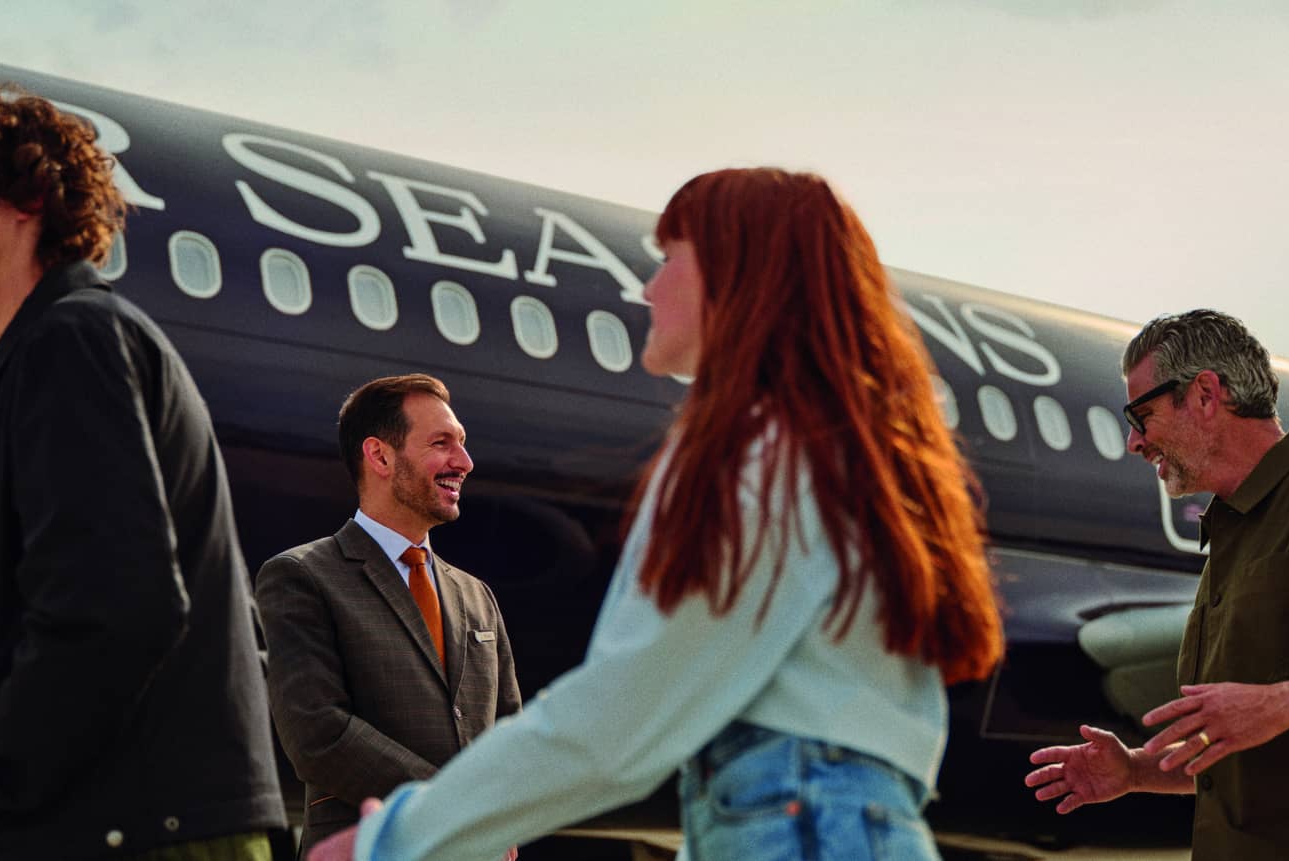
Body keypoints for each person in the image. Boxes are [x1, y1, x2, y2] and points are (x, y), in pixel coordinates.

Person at [309, 167, 1005, 861]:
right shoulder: (850, 457)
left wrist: (395, 836)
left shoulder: (758, 451)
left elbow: (622, 716)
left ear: (739, 275)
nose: (649, 288)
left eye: (670, 258)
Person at [0, 84, 285, 858]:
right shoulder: (78, 341)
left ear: (27, 197)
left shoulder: (69, 341)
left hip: (121, 834)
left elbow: (118, 604)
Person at [1025, 310, 1289, 859]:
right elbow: (1255, 760)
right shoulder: (1231, 535)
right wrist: (1136, 771)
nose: (1134, 442)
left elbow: (1272, 714)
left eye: (1142, 415)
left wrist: (1281, 703)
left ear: (1204, 394)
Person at [255, 374, 522, 858]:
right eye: (441, 443)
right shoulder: (301, 576)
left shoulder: (477, 595)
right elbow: (318, 734)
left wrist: (501, 815)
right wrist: (450, 808)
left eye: (462, 443)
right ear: (379, 456)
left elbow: (510, 733)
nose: (464, 462)